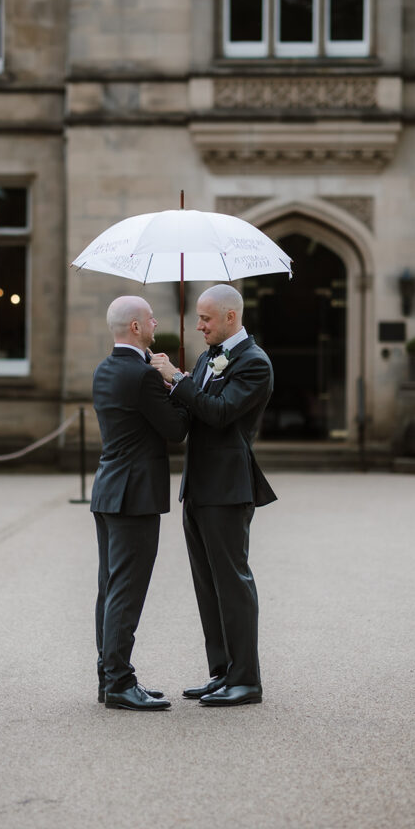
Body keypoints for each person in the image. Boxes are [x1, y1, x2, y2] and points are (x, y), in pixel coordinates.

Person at [150, 284, 276, 708]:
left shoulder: (255, 363)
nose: (198, 325)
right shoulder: (207, 357)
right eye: (198, 317)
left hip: (227, 486)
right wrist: (170, 388)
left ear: (230, 318)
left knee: (232, 584)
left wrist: (179, 381)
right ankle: (222, 673)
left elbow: (221, 414)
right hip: (198, 485)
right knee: (208, 586)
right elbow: (195, 411)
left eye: (205, 318)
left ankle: (246, 680)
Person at [91, 295, 189, 711]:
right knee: (127, 591)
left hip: (108, 488)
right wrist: (180, 385)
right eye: (150, 319)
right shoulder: (144, 375)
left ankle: (108, 676)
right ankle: (119, 682)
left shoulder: (105, 369)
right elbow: (176, 429)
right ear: (136, 327)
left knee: (110, 588)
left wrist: (161, 385)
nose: (156, 324)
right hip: (135, 496)